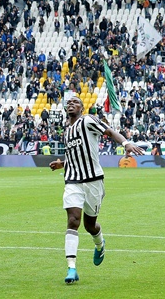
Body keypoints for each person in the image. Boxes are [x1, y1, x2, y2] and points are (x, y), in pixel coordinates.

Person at [49, 97, 144, 284]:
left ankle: (100, 244)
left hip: (93, 181)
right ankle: (71, 268)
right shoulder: (67, 131)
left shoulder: (88, 120)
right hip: (73, 180)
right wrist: (63, 164)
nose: (71, 104)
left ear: (82, 108)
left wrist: (125, 143)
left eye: (75, 102)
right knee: (73, 220)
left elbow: (109, 131)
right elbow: (76, 156)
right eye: (69, 102)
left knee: (90, 225)